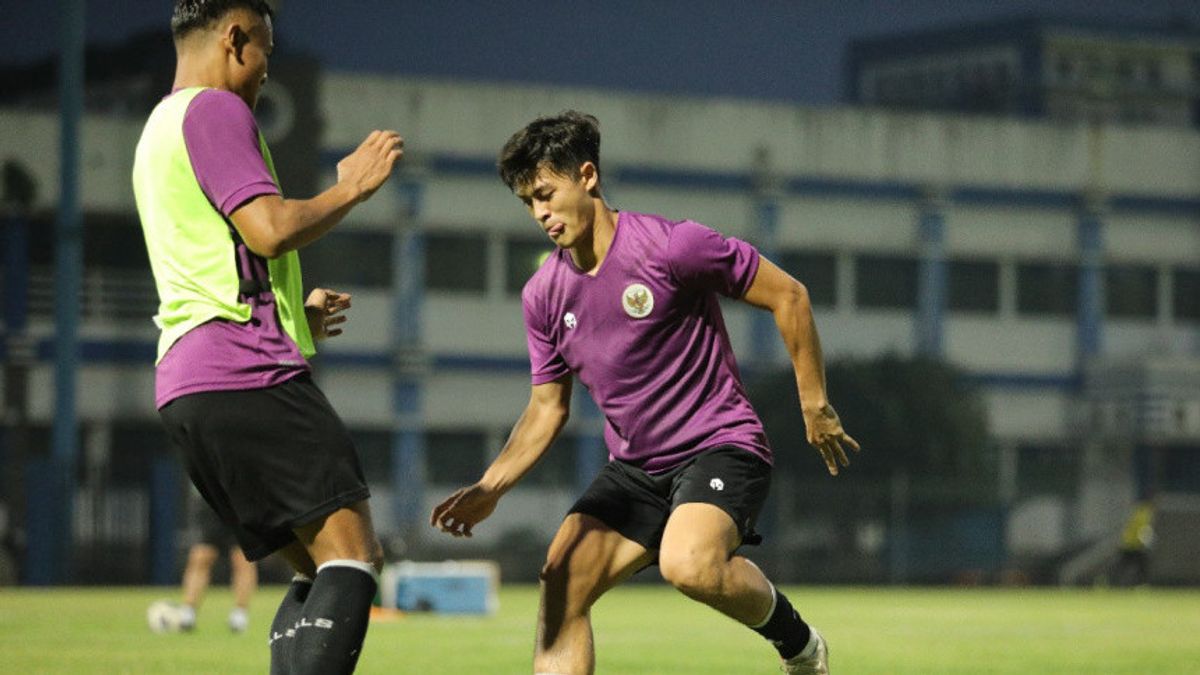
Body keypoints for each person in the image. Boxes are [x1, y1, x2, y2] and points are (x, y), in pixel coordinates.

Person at [431, 111, 860, 675]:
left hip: (720, 445)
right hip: (636, 468)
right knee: (561, 587)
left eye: (544, 194)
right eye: (527, 203)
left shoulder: (674, 247)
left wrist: (815, 405)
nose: (539, 213)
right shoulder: (542, 294)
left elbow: (790, 297)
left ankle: (800, 645)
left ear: (587, 176)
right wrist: (492, 486)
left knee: (689, 565)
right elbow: (546, 409)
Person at [132, 2, 402, 672]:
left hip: (187, 384)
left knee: (311, 570)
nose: (263, 75)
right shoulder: (215, 111)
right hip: (242, 370)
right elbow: (270, 228)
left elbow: (213, 262)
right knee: (352, 554)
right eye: (265, 55)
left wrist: (290, 318)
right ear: (235, 38)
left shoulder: (157, 131)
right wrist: (352, 189)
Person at [176, 490, 259, 633]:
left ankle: (239, 616)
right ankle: (187, 614)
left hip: (243, 501)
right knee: (201, 556)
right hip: (213, 498)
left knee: (242, 558)